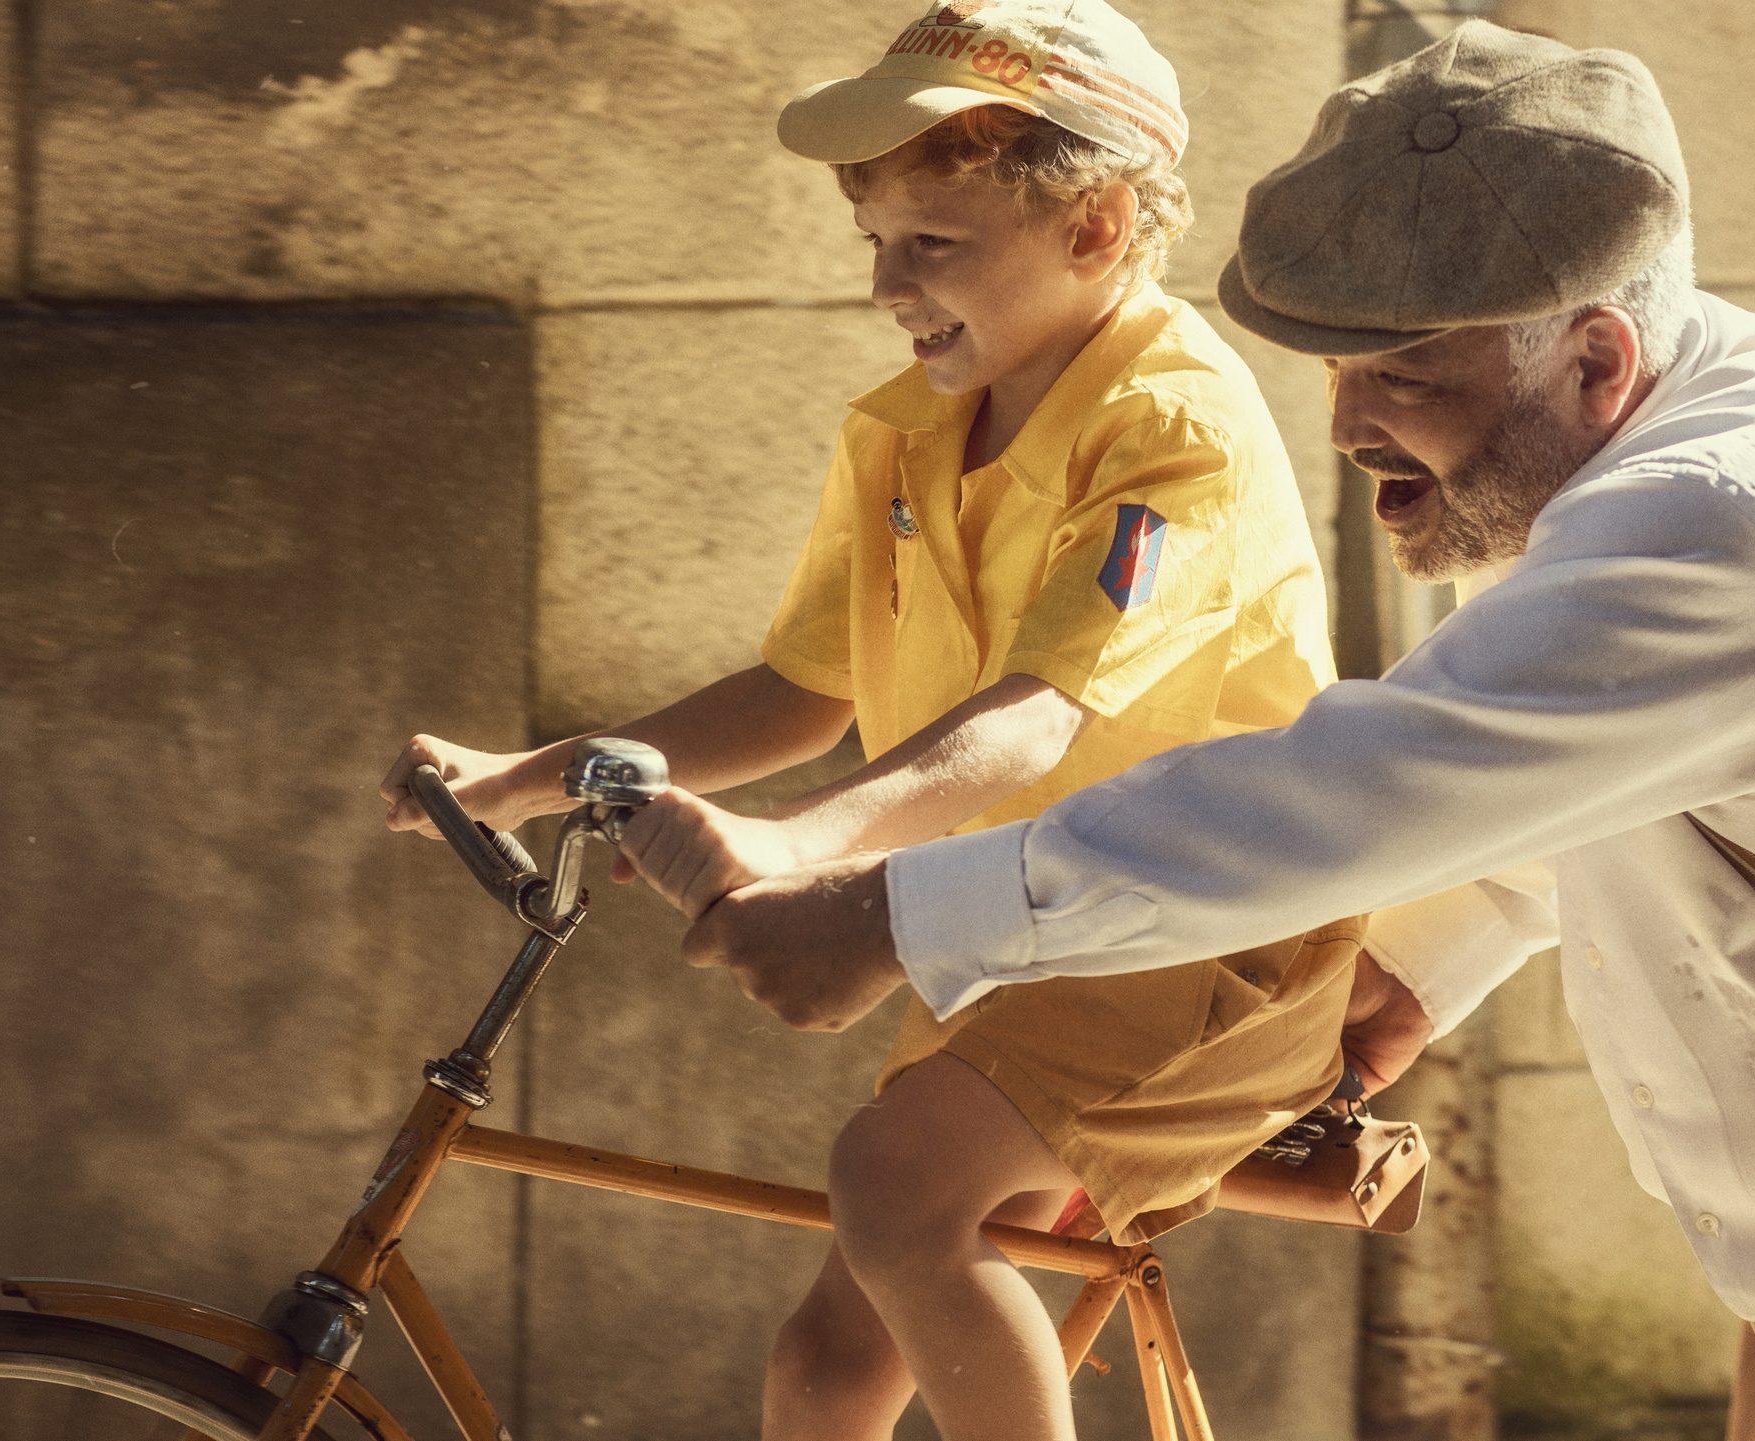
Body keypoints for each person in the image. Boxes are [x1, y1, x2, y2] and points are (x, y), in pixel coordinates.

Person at [668, 21, 1755, 1441]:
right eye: (1339, 372)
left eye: (1401, 379)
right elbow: (1596, 795)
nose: (1346, 434)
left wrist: (898, 910)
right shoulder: (1639, 478)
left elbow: (1368, 789)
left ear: (1598, 358)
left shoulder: (1735, 523)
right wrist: (1410, 967)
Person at [381, 4, 1383, 1437]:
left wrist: (798, 848)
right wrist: (531, 774)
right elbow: (806, 684)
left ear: (1096, 228)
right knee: (826, 1369)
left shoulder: (1176, 426)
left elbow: (1037, 717)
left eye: (935, 245)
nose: (886, 287)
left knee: (896, 1186)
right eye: (876, 243)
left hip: (1203, 933)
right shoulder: (905, 427)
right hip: (1025, 934)